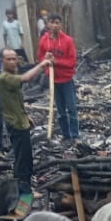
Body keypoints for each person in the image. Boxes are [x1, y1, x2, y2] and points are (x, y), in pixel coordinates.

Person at [0, 49, 53, 217]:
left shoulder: (11, 78)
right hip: (15, 124)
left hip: (20, 121)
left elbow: (16, 100)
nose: (13, 62)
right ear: (2, 61)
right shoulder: (4, 78)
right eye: (8, 59)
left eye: (14, 59)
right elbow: (27, 78)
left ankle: (26, 187)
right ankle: (23, 192)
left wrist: (26, 115)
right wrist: (43, 64)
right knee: (22, 159)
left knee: (27, 157)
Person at [37, 14, 79, 142]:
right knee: (60, 110)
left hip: (66, 80)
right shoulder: (44, 40)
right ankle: (66, 135)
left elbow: (72, 62)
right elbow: (39, 57)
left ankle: (75, 135)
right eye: (52, 22)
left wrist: (56, 61)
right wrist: (46, 61)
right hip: (53, 80)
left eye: (57, 23)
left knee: (71, 108)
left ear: (61, 25)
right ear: (48, 24)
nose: (54, 25)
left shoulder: (67, 40)